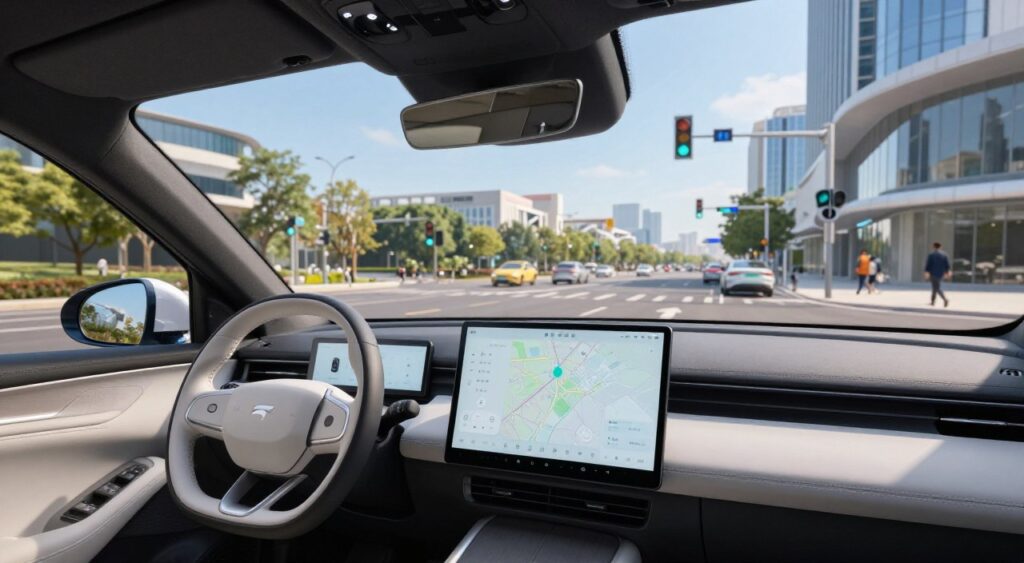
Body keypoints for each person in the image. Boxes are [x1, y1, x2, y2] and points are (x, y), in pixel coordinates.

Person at [924, 241, 951, 307]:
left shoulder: (931, 255)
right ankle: (932, 301)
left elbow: (928, 265)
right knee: (934, 287)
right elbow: (947, 265)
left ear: (934, 247)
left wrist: (926, 273)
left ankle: (945, 299)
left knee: (936, 288)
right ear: (940, 247)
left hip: (933, 273)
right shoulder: (944, 255)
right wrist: (947, 273)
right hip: (941, 273)